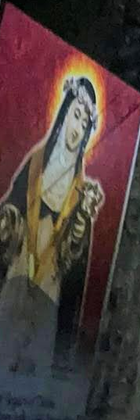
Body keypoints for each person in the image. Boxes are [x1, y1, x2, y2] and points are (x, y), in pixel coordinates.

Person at [0, 76, 104, 374]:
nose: (77, 127)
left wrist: (81, 222)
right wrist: (9, 219)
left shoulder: (81, 192)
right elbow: (12, 208)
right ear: (64, 115)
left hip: (49, 292)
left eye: (85, 122)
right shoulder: (36, 164)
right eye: (75, 115)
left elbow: (75, 263)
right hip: (18, 277)